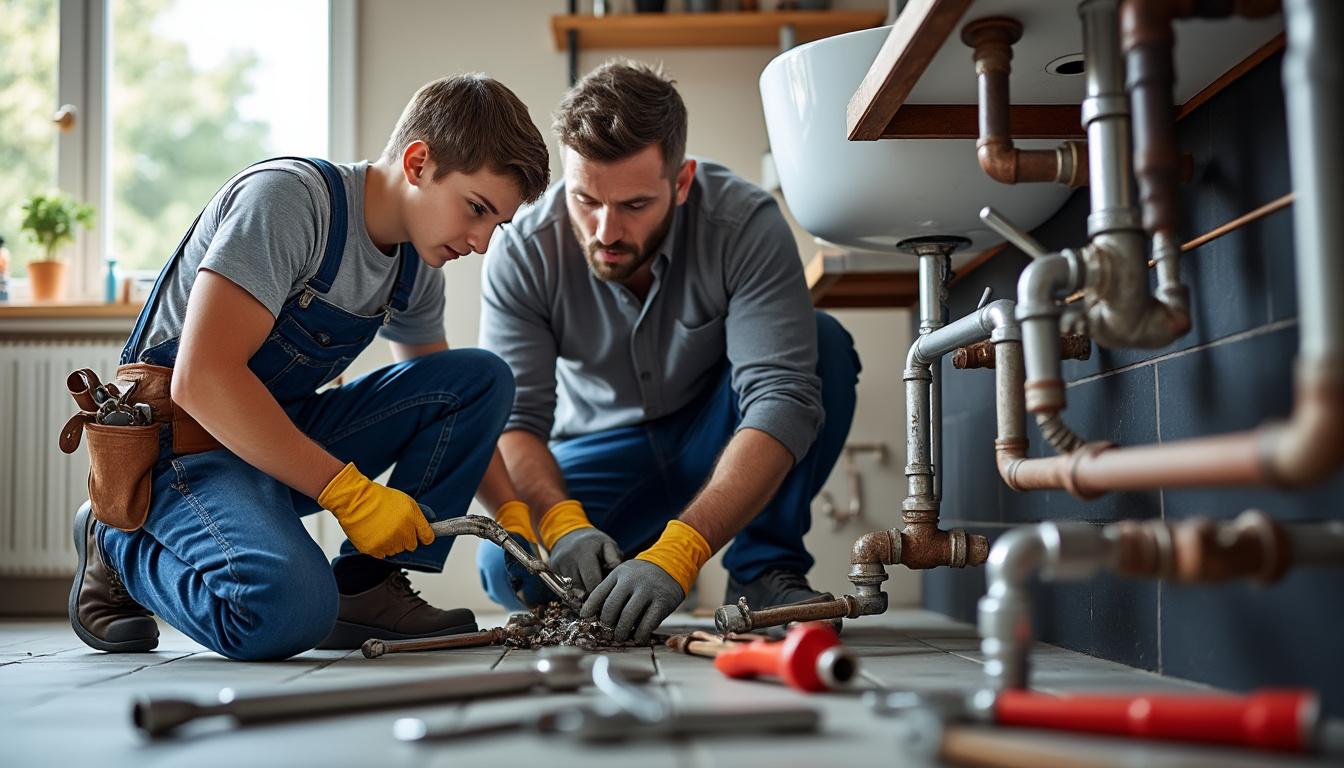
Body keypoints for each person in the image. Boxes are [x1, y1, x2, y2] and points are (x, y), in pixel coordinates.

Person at [68, 74, 551, 660]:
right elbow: (202, 380)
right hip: (181, 447)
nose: (479, 242)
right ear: (419, 162)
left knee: (479, 378)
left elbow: (454, 402)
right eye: (476, 209)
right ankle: (116, 537)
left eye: (494, 224)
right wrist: (348, 493)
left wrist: (516, 520)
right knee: (286, 612)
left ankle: (368, 587)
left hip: (273, 438)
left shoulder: (415, 266)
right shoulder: (288, 202)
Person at [476, 61, 861, 644]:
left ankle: (762, 571)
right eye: (586, 200)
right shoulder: (524, 250)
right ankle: (607, 566)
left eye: (634, 205)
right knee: (509, 571)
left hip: (716, 429)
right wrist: (563, 525)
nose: (605, 231)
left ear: (680, 183)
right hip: (602, 451)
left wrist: (682, 551)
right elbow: (518, 423)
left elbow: (778, 398)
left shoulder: (743, 223)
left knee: (823, 346)